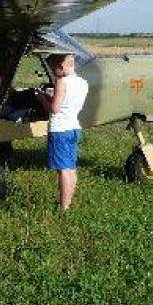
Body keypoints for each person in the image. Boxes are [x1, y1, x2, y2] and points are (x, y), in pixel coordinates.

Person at [43, 53, 88, 210]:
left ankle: (63, 207)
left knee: (63, 171)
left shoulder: (62, 82)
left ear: (61, 67)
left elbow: (54, 109)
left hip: (60, 130)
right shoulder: (82, 82)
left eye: (53, 69)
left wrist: (42, 98)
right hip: (74, 127)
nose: (53, 73)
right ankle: (67, 202)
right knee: (70, 168)